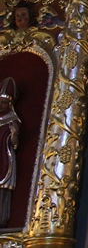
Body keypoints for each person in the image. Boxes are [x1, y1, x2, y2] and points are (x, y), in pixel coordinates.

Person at [0, 77, 20, 227]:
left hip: (4, 158)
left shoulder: (13, 120)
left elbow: (15, 144)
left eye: (4, 102)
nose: (0, 105)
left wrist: (14, 134)